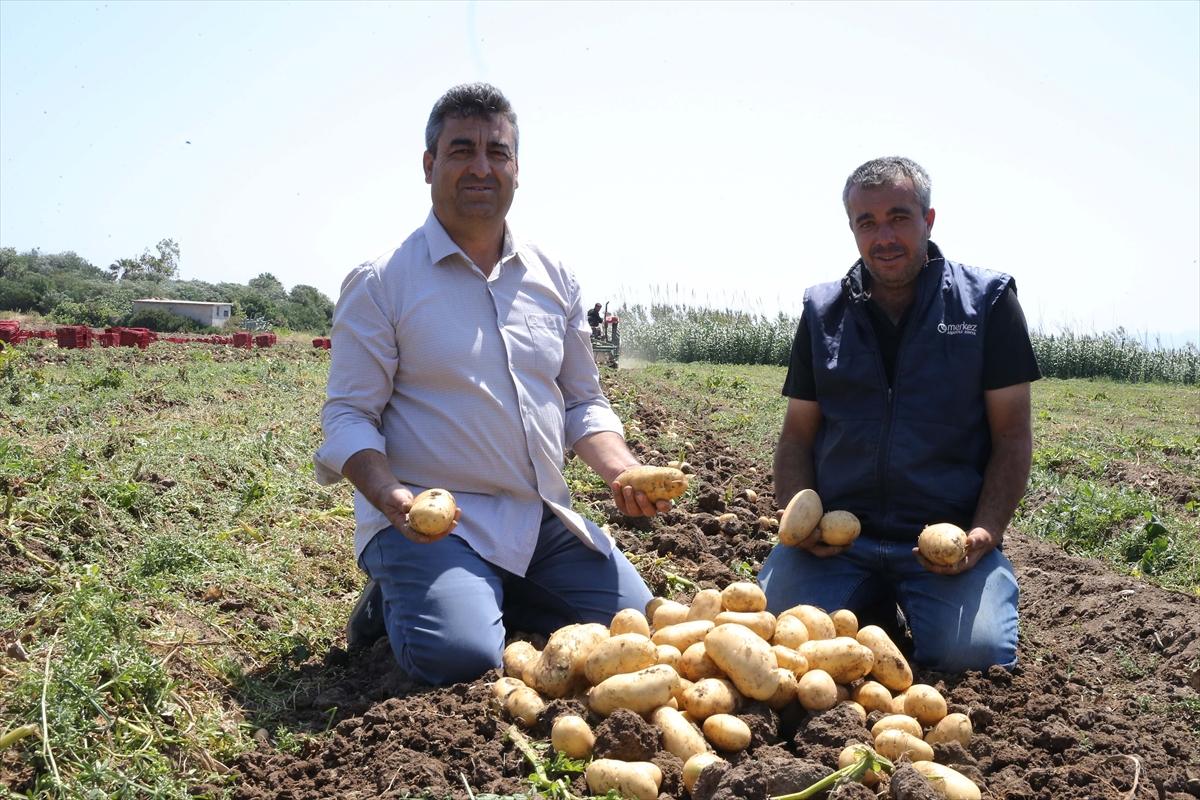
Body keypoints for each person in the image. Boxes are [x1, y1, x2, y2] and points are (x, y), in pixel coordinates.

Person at [315, 83, 666, 686]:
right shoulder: (382, 281)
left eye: (496, 152)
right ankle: (394, 600)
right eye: (461, 150)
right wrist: (393, 498)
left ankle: (488, 595)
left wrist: (619, 471)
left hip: (536, 517)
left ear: (517, 169)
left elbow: (584, 401)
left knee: (637, 629)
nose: (481, 167)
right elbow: (347, 416)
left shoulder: (553, 276)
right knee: (461, 660)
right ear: (429, 165)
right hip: (433, 525)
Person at [759, 156, 1040, 672]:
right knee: (777, 640)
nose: (883, 235)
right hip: (839, 539)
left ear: (928, 220)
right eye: (867, 222)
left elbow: (1013, 438)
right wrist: (801, 525)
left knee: (973, 661)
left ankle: (903, 607)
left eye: (898, 216)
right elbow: (798, 436)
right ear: (852, 229)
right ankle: (867, 610)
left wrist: (987, 530)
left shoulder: (988, 304)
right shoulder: (823, 313)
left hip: (940, 545)